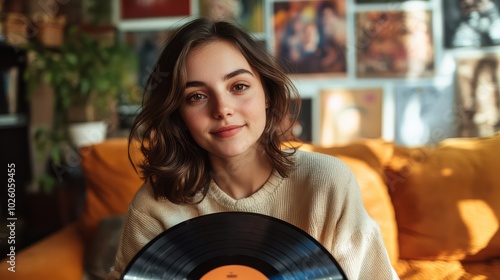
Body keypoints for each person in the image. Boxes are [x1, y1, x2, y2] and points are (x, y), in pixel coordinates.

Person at [107, 18, 398, 280]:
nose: (222, 110)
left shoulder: (328, 183)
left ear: (267, 95)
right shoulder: (154, 206)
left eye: (238, 86)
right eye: (196, 96)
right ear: (178, 114)